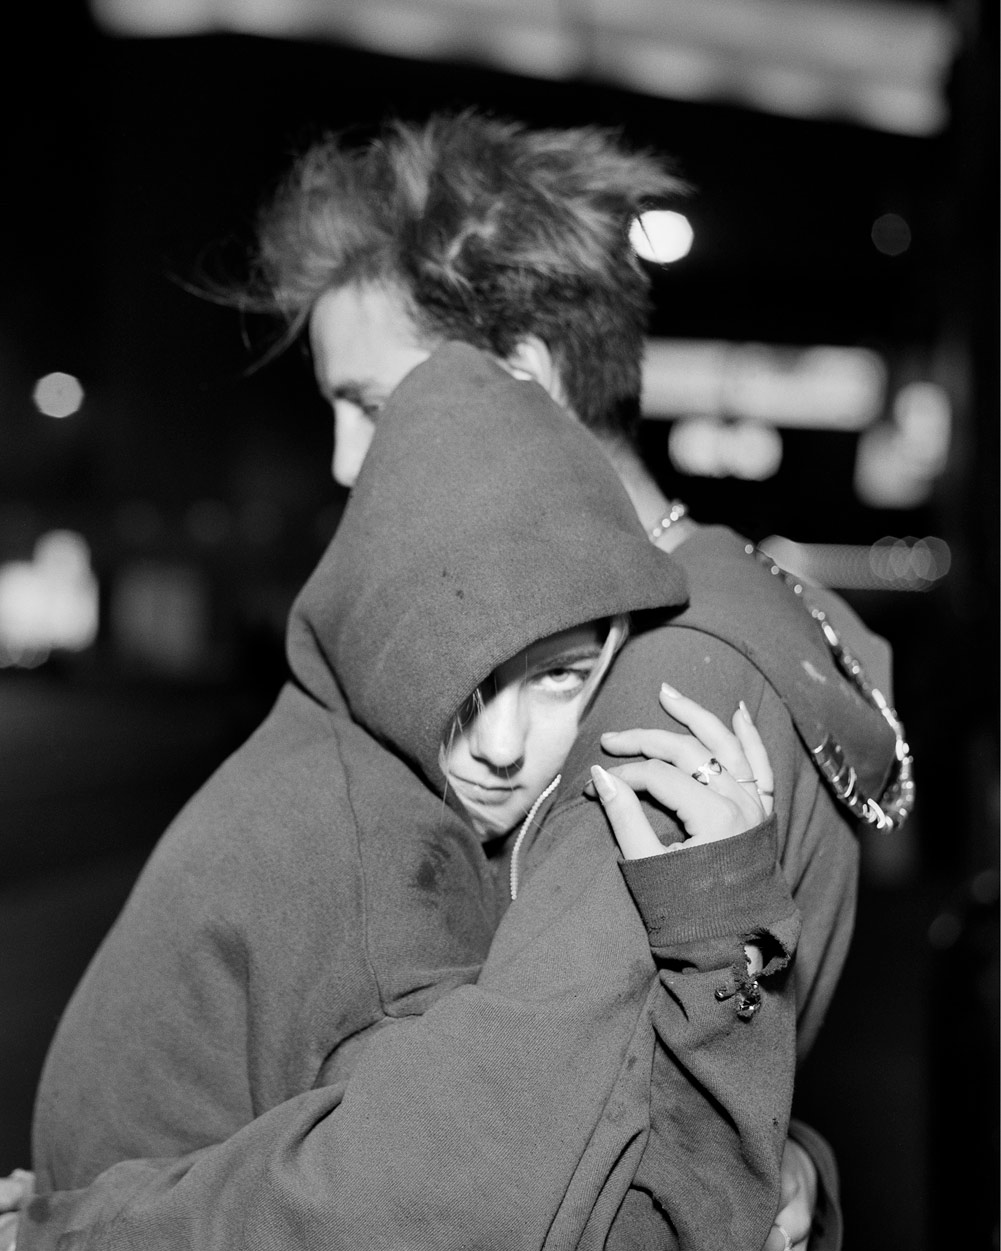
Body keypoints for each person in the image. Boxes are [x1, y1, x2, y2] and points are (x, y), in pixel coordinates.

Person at [13, 112, 912, 1249]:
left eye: (373, 404)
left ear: (516, 384)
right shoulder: (765, 605)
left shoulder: (655, 691)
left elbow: (504, 1178)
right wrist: (799, 1169)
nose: (347, 461)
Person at [16, 343, 799, 1251]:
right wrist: (723, 931)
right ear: (380, 634)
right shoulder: (382, 878)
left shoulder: (327, 756)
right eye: (463, 680)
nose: (503, 749)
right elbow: (624, 1230)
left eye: (560, 677)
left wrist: (798, 1150)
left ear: (618, 636)